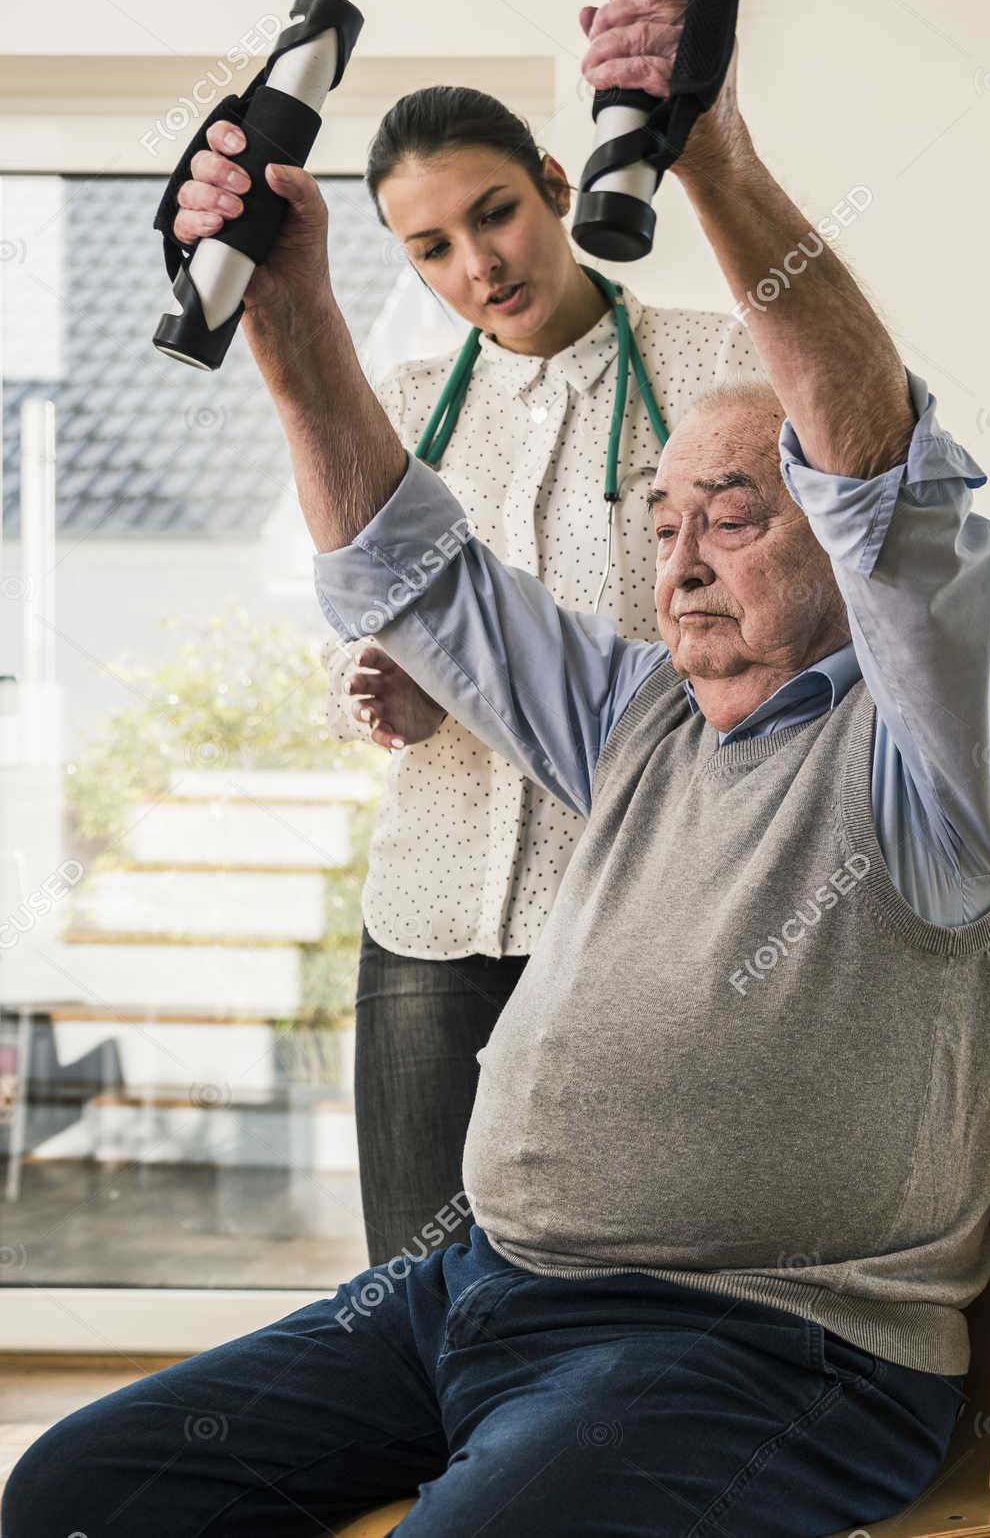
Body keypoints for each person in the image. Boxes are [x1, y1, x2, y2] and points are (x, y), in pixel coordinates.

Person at [2, 0, 990, 1533]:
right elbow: (416, 574)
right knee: (77, 1492)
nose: (683, 558)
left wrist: (712, 160)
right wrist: (291, 297)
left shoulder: (941, 757)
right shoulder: (643, 713)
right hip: (475, 1297)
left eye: (741, 514)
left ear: (833, 540)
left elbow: (885, 475)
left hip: (767, 1350)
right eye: (665, 520)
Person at [315, 83, 761, 1266]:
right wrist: (378, 685)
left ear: (557, 188)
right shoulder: (402, 408)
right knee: (413, 1287)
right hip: (429, 920)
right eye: (432, 247)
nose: (478, 263)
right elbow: (346, 624)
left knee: (608, 1281)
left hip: (628, 912)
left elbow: (769, 631)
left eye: (496, 213)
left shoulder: (713, 363)